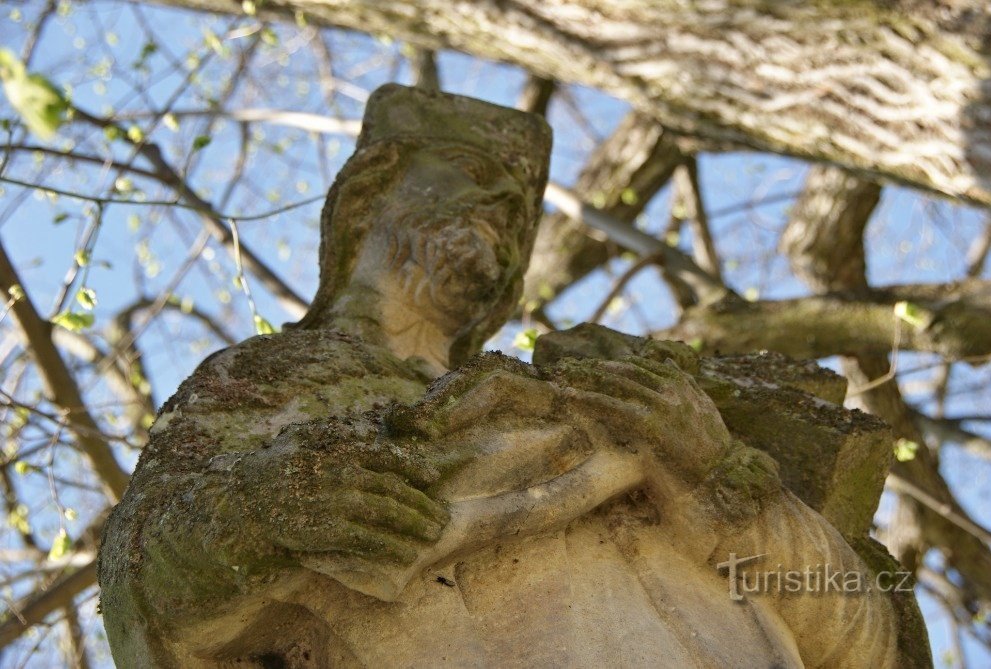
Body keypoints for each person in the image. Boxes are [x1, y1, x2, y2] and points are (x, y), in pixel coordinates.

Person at [99, 84, 898, 668]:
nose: (507, 216)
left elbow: (862, 638)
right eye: (473, 172)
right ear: (369, 194)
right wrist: (266, 510)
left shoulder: (614, 392)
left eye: (522, 213)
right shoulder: (271, 374)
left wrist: (718, 474)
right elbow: (144, 595)